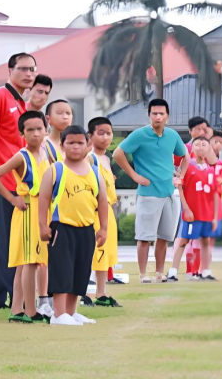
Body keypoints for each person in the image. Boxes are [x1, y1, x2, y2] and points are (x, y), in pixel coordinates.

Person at [113, 99, 189, 283]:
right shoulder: (140, 134)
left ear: (167, 117)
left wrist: (180, 176)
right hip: (148, 193)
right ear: (149, 115)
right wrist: (135, 176)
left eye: (161, 113)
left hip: (169, 194)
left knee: (164, 237)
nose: (158, 116)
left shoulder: (172, 135)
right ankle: (142, 274)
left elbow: (185, 156)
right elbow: (117, 153)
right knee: (144, 238)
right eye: (154, 113)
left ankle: (159, 273)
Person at [38, 126, 108, 326]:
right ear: (62, 145)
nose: (76, 147)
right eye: (71, 143)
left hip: (86, 229)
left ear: (88, 145)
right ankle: (59, 314)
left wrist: (103, 229)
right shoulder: (56, 170)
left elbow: (102, 201)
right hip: (62, 228)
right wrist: (43, 226)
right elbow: (43, 199)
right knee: (62, 270)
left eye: (80, 143)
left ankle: (71, 311)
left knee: (80, 271)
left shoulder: (95, 173)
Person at [0, 52, 35, 310]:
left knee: (1, 240)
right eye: (23, 69)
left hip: (17, 183)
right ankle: (19, 298)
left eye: (32, 70)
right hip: (2, 184)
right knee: (6, 242)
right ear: (10, 70)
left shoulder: (21, 104)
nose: (28, 74)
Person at [0, 111, 51, 324]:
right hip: (27, 212)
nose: (35, 134)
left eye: (39, 129)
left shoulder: (45, 153)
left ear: (45, 130)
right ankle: (30, 311)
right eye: (30, 130)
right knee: (29, 262)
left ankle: (17, 309)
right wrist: (13, 199)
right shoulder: (21, 156)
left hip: (42, 211)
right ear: (22, 133)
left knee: (26, 264)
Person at [168, 116, 213, 281]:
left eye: (205, 129)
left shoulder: (208, 154)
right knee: (184, 237)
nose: (202, 132)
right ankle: (175, 270)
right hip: (187, 201)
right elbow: (171, 165)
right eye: (199, 129)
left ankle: (195, 271)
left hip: (203, 205)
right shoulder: (184, 149)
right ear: (191, 130)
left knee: (202, 240)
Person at [85, 117, 122, 307]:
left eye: (109, 133)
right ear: (90, 136)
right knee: (93, 252)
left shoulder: (106, 158)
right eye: (100, 133)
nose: (105, 137)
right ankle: (85, 292)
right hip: (94, 211)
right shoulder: (89, 157)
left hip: (108, 209)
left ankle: (101, 292)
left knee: (105, 252)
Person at [199, 131, 222, 280]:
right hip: (199, 204)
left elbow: (221, 184)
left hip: (215, 206)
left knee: (210, 240)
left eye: (221, 142)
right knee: (194, 240)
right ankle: (194, 270)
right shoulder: (198, 162)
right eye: (215, 141)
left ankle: (205, 269)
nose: (217, 144)